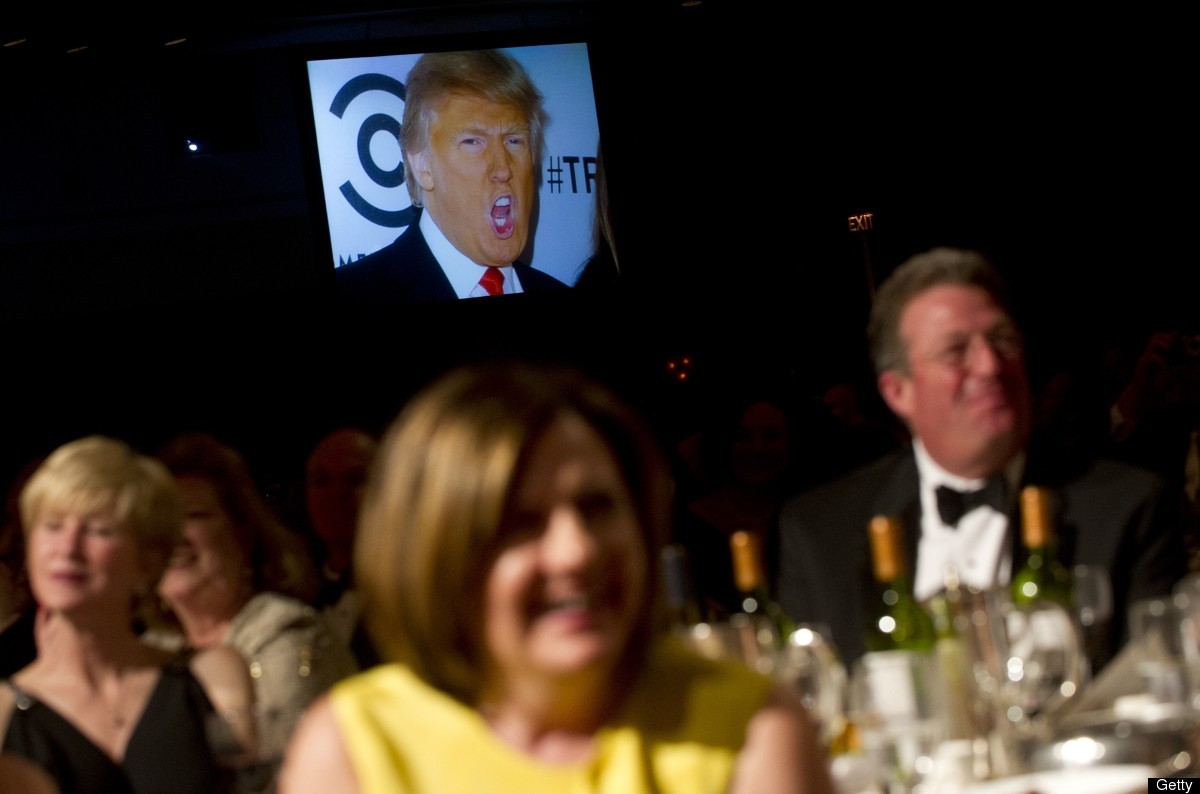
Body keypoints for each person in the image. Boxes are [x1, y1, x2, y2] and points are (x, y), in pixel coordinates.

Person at [278, 362, 834, 794]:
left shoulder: (749, 726)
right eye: (521, 522)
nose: (576, 552)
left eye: (597, 508)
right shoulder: (355, 749)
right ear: (437, 555)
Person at [773, 247, 1186, 673]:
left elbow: (1153, 694)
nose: (990, 365)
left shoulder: (1127, 506)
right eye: (955, 351)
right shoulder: (821, 530)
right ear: (899, 392)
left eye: (1002, 340)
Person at [0, 436, 256, 794]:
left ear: (149, 560)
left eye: (99, 529)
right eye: (52, 525)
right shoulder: (4, 712)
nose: (67, 548)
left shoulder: (212, 678)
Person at [151, 433, 358, 769]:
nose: (174, 535)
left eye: (193, 516)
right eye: (161, 521)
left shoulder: (288, 634)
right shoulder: (153, 647)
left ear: (243, 536)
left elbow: (278, 777)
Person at [336, 49, 569, 306]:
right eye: (472, 142)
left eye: (514, 140)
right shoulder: (351, 295)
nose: (504, 169)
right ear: (422, 165)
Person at [302, 427, 380, 669]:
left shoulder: (411, 594)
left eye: (355, 479)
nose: (337, 494)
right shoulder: (294, 593)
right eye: (322, 481)